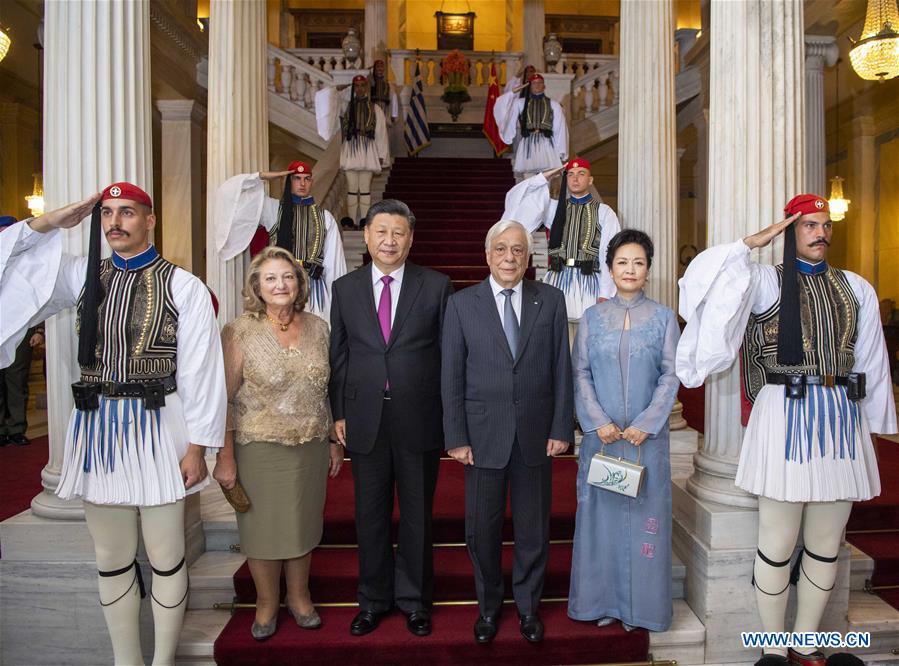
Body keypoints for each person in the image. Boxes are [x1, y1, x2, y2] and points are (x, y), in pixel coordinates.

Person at [0, 184, 226, 665]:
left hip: (159, 429)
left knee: (166, 555)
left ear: (150, 220)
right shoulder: (80, 277)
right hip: (97, 430)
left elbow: (202, 372)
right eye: (106, 213)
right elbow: (9, 269)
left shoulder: (183, 285)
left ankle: (162, 661)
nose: (114, 222)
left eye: (126, 212)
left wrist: (198, 446)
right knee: (111, 557)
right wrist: (50, 221)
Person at [676, 194, 897, 666]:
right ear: (790, 230)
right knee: (776, 543)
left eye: (825, 225)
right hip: (783, 416)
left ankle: (805, 641)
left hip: (841, 418)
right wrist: (748, 244)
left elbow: (872, 361)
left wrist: (876, 428)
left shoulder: (855, 287)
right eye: (809, 225)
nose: (820, 233)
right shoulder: (762, 282)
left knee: (825, 544)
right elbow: (701, 287)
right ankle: (773, 645)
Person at [442, 219, 573, 644]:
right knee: (482, 531)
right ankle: (488, 607)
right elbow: (451, 375)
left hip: (536, 434)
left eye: (518, 249)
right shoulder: (462, 304)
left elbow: (562, 367)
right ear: (487, 255)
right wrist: (456, 437)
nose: (509, 257)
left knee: (533, 530)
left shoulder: (550, 300)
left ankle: (529, 608)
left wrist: (561, 426)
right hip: (482, 438)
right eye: (501, 249)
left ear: (529, 257)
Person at [329, 198, 453, 637]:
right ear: (366, 235)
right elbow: (339, 355)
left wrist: (450, 417)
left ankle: (415, 600)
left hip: (419, 417)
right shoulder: (344, 288)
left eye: (398, 233)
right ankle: (373, 600)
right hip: (364, 418)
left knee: (418, 515)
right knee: (370, 515)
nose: (389, 240)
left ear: (410, 239)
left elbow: (448, 356)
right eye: (381, 231)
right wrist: (338, 413)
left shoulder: (436, 286)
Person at [213, 246, 343, 640]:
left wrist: (333, 441)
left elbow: (327, 390)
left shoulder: (319, 327)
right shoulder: (239, 331)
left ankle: (300, 597)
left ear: (299, 283)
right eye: (270, 278)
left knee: (302, 525)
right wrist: (225, 457)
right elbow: (224, 400)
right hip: (259, 448)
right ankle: (266, 603)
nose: (280, 284)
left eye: (287, 276)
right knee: (262, 531)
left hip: (310, 446)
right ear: (257, 286)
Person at [567, 229, 680, 633]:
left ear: (648, 269)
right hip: (603, 441)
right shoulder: (592, 318)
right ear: (610, 269)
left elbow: (671, 375)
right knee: (603, 520)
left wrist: (647, 424)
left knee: (645, 520)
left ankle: (641, 610)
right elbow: (579, 373)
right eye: (622, 262)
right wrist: (599, 421)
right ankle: (601, 602)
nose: (630, 269)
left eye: (638, 262)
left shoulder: (665, 319)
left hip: (646, 443)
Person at [212, 160, 347, 323]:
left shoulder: (325, 217)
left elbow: (334, 265)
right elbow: (231, 196)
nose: (302, 183)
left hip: (315, 294)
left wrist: (337, 304)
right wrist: (262, 176)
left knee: (315, 333)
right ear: (288, 181)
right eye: (297, 178)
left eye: (307, 179)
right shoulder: (273, 209)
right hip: (279, 288)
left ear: (311, 182)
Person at [503, 157, 620, 339]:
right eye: (570, 174)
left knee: (588, 341)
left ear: (590, 180)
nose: (575, 178)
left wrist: (606, 293)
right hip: (557, 281)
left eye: (581, 174)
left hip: (590, 284)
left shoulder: (604, 212)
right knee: (556, 339)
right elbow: (517, 200)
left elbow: (610, 254)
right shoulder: (554, 209)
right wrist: (546, 176)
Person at [316, 75, 390, 227]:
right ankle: (352, 220)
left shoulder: (375, 109)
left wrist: (381, 155)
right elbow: (331, 101)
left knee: (365, 188)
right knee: (351, 188)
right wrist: (340, 88)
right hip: (351, 150)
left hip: (368, 151)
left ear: (367, 87)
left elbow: (381, 133)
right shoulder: (346, 107)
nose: (360, 88)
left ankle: (364, 220)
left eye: (363, 85)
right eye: (357, 85)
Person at [0, 215, 44, 447]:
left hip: (21, 330)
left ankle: (17, 428)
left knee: (16, 380)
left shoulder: (28, 262)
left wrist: (39, 330)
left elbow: (40, 296)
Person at [493, 73, 568, 179]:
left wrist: (561, 150)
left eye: (540, 83)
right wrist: (514, 91)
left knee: (546, 179)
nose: (537, 85)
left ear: (544, 86)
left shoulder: (554, 104)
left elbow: (560, 129)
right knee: (528, 179)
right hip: (527, 144)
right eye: (534, 83)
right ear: (529, 86)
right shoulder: (520, 103)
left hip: (547, 145)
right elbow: (502, 104)